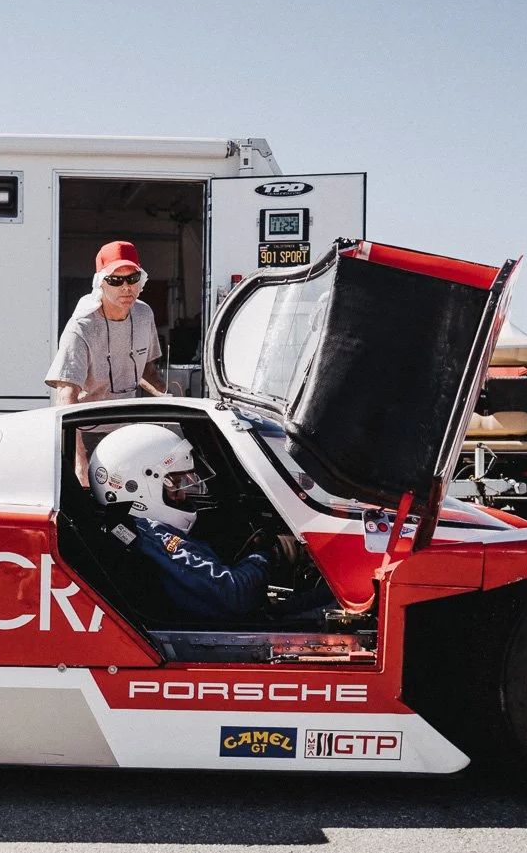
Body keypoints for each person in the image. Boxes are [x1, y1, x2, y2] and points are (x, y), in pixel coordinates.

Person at [87, 422, 325, 622]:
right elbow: (233, 593)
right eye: (174, 485)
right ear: (135, 486)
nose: (182, 495)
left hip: (222, 617)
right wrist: (269, 555)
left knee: (324, 599)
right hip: (217, 627)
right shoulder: (154, 536)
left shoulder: (139, 530)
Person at [46, 241, 164, 406]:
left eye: (132, 278)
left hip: (128, 423)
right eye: (115, 280)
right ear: (100, 283)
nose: (126, 287)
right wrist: (71, 432)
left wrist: (170, 398)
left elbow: (147, 371)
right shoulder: (81, 327)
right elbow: (66, 393)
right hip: (88, 425)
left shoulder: (144, 314)